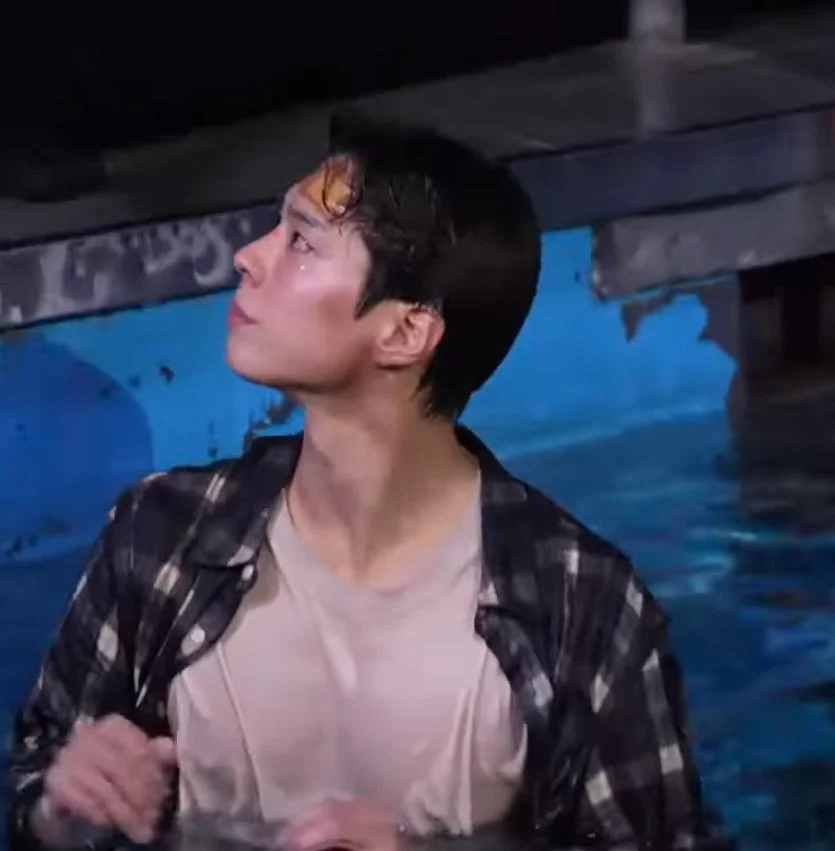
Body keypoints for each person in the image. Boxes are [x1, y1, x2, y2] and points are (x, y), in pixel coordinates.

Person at [6, 114, 716, 851]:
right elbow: (35, 784)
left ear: (405, 332)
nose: (248, 257)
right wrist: (62, 810)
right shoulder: (162, 534)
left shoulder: (579, 604)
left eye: (301, 242)